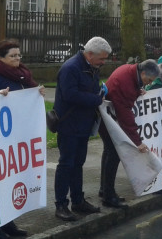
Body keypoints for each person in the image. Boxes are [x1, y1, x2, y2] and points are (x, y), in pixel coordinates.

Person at [0, 39, 43, 237]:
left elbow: (28, 98)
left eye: (18, 55)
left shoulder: (22, 76)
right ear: (0, 58)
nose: (17, 59)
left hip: (15, 140)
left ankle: (7, 222)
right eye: (12, 56)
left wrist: (36, 93)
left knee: (9, 182)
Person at [53, 37, 111, 222]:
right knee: (66, 164)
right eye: (101, 59)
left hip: (83, 124)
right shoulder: (71, 68)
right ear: (90, 54)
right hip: (69, 124)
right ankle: (61, 204)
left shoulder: (90, 67)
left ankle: (78, 200)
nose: (104, 62)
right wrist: (96, 99)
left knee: (77, 164)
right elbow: (69, 94)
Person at [99, 59, 161, 208]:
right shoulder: (126, 82)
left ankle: (105, 189)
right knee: (113, 154)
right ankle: (108, 196)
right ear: (144, 72)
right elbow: (125, 115)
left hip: (107, 116)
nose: (147, 83)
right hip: (109, 118)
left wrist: (138, 91)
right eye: (148, 80)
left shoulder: (131, 72)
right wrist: (137, 141)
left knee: (109, 151)